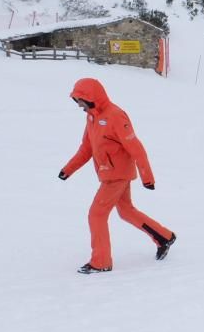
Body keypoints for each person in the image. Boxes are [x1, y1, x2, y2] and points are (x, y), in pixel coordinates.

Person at [59, 77, 177, 274]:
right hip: (108, 173)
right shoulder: (92, 117)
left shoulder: (115, 116)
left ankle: (101, 262)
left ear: (91, 98)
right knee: (126, 211)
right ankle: (164, 237)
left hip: (118, 175)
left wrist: (148, 177)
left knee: (96, 214)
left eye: (80, 100)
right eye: (76, 100)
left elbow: (136, 148)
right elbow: (86, 148)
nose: (79, 105)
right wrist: (68, 169)